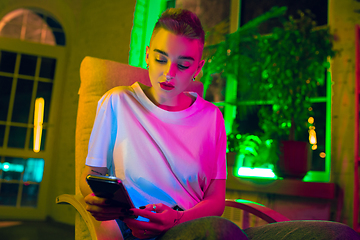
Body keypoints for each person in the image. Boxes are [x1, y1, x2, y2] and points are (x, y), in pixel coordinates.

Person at [80, 8, 248, 240]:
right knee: (221, 232)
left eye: (182, 65)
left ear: (198, 69)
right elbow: (91, 174)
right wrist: (101, 205)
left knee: (313, 231)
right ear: (148, 55)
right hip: (136, 229)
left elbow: (216, 200)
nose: (168, 73)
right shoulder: (117, 101)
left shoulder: (212, 118)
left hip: (190, 226)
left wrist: (177, 219)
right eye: (161, 59)